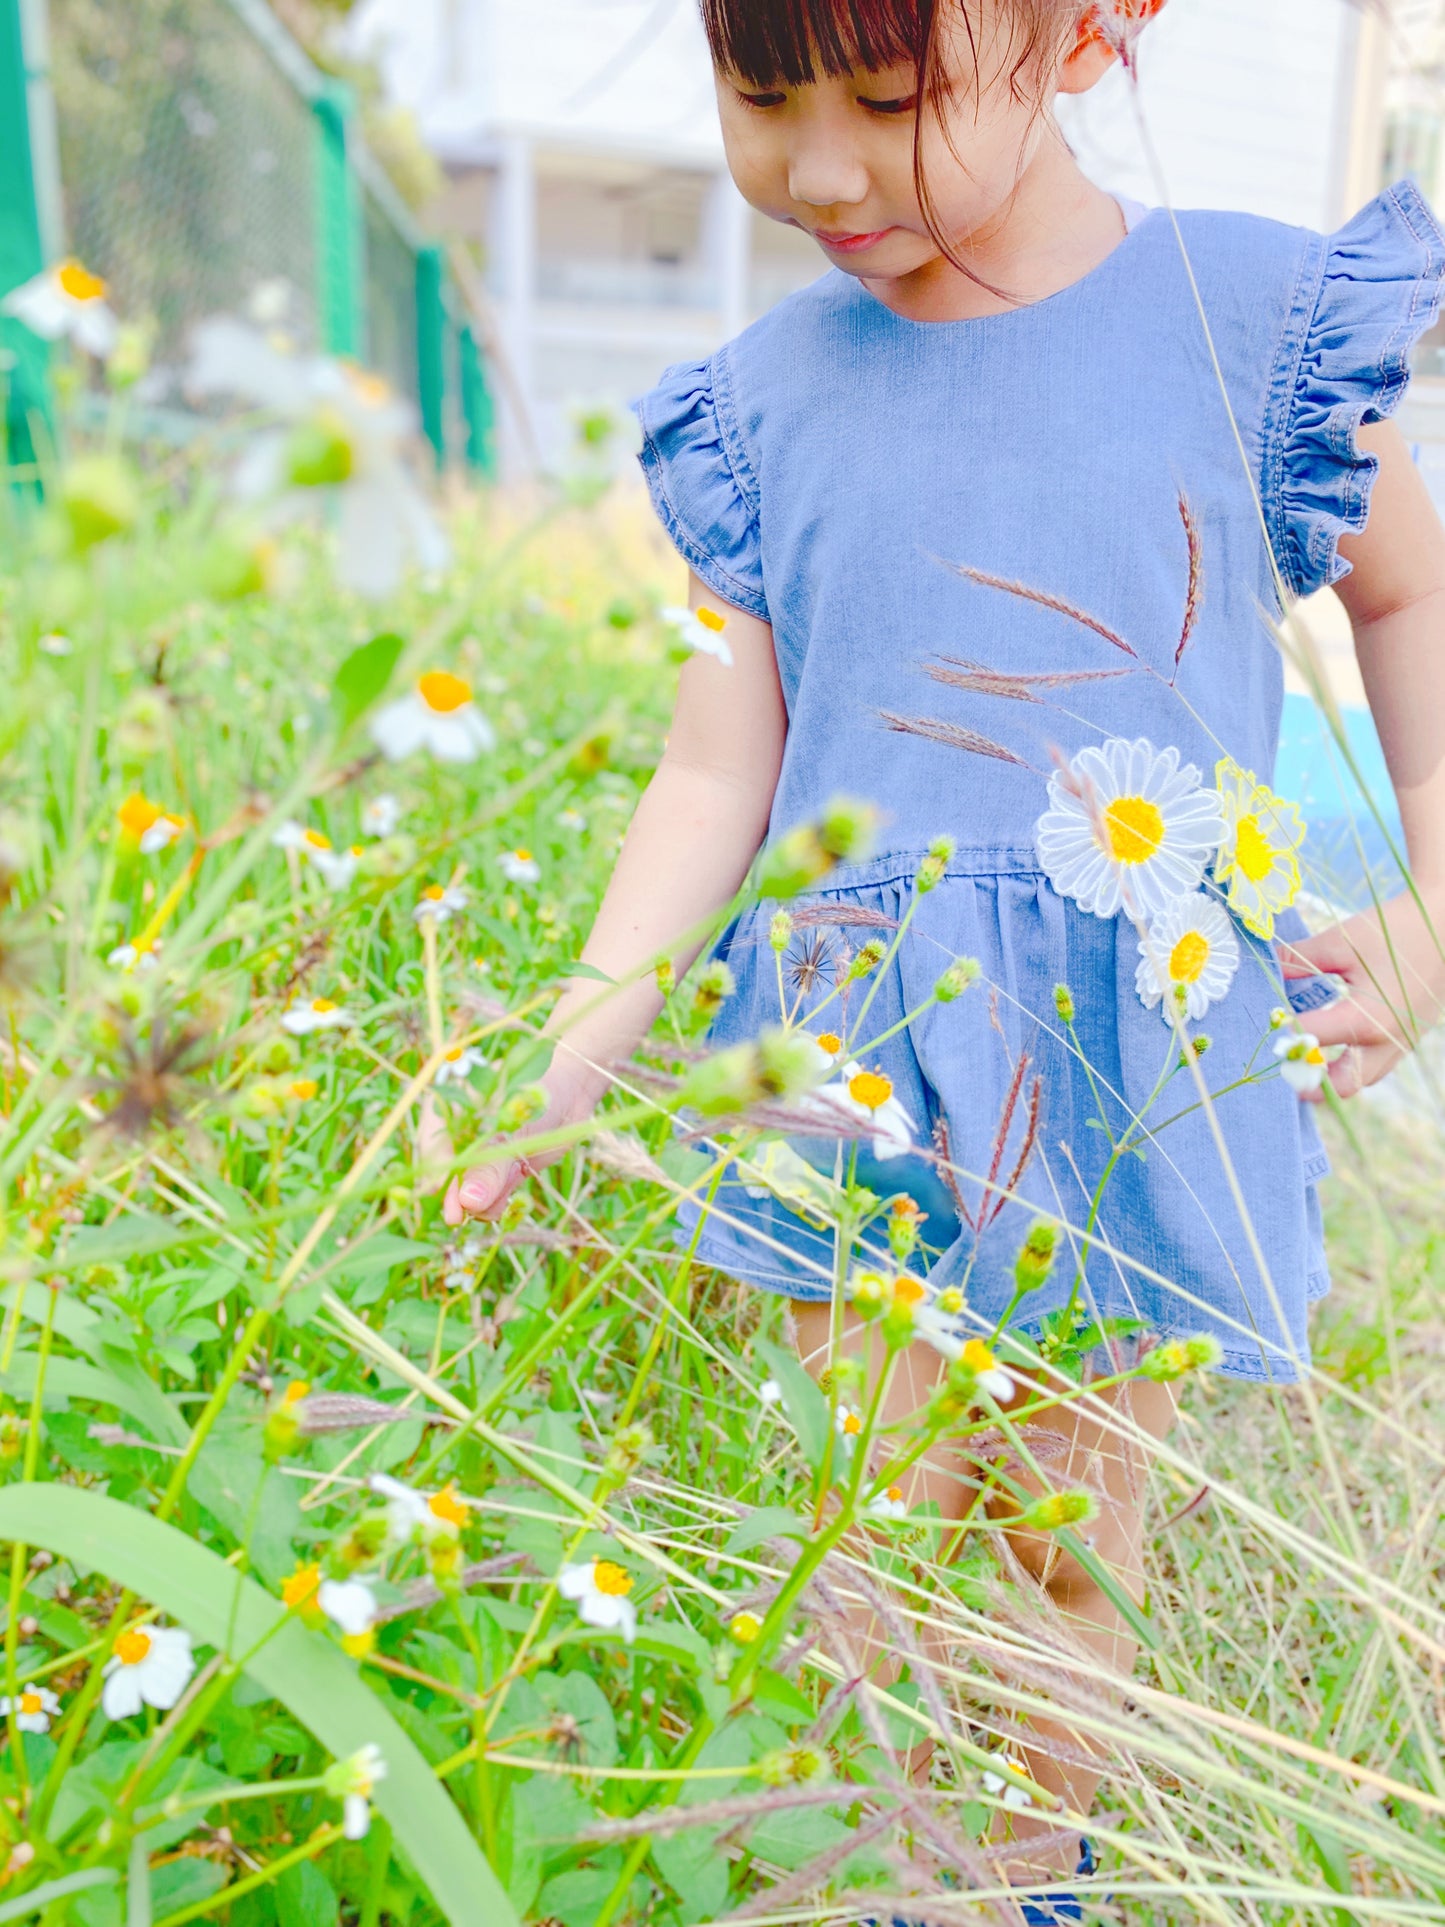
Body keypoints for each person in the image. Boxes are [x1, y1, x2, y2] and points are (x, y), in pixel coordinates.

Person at [435, 0, 1445, 1915]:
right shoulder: (763, 398)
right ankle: (884, 1882)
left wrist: (1431, 902)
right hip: (846, 1053)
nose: (817, 165)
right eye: (759, 92)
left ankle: (1026, 1877)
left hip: (1127, 1042)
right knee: (860, 1537)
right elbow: (715, 763)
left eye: (888, 98)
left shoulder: (1242, 319)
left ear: (1087, 33)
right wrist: (573, 1041)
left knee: (1065, 1539)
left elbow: (1409, 593)